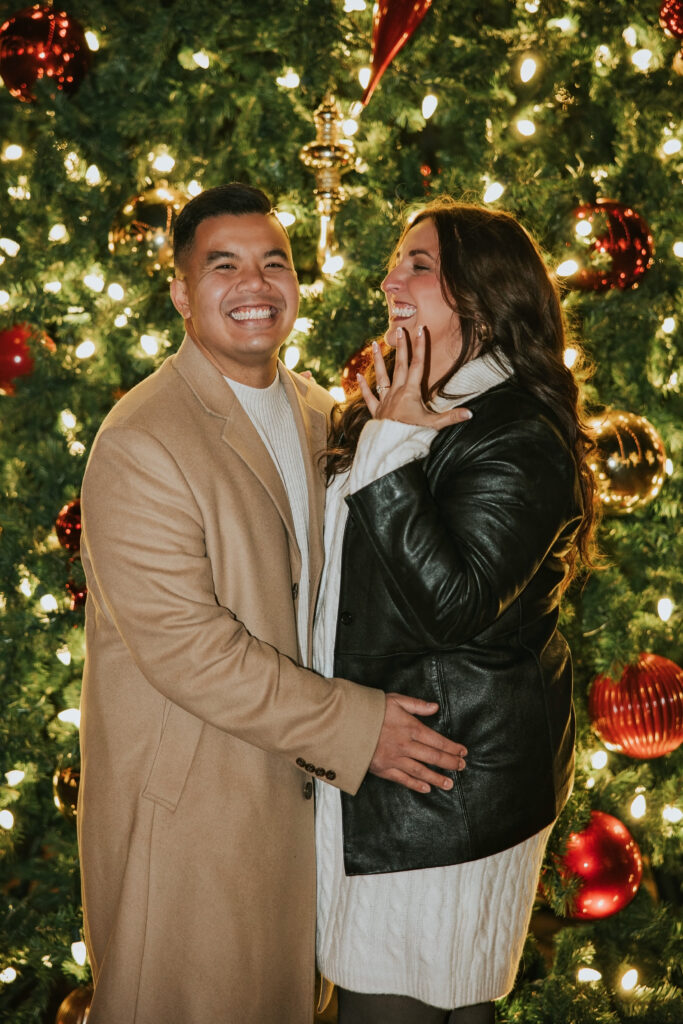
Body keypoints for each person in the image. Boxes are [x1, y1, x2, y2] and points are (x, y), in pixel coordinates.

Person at [77, 183, 469, 1024]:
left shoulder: (321, 413)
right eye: (223, 266)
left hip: (300, 815)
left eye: (272, 263)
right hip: (193, 819)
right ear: (180, 290)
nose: (253, 284)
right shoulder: (140, 439)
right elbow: (189, 647)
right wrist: (360, 727)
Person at [314, 198, 597, 1023]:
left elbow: (452, 606)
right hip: (390, 775)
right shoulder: (405, 399)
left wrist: (393, 447)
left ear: (483, 292)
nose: (387, 280)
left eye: (417, 264)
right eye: (394, 262)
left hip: (442, 793)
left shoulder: (516, 432)